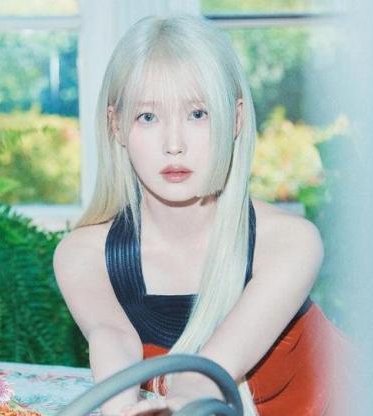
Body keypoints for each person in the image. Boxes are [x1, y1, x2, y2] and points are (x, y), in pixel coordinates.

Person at [53, 14, 355, 416]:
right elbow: (112, 339)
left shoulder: (290, 242)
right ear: (116, 126)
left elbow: (211, 369)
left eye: (198, 114)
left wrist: (180, 402)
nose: (173, 144)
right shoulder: (83, 255)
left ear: (237, 118)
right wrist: (122, 409)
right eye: (148, 116)